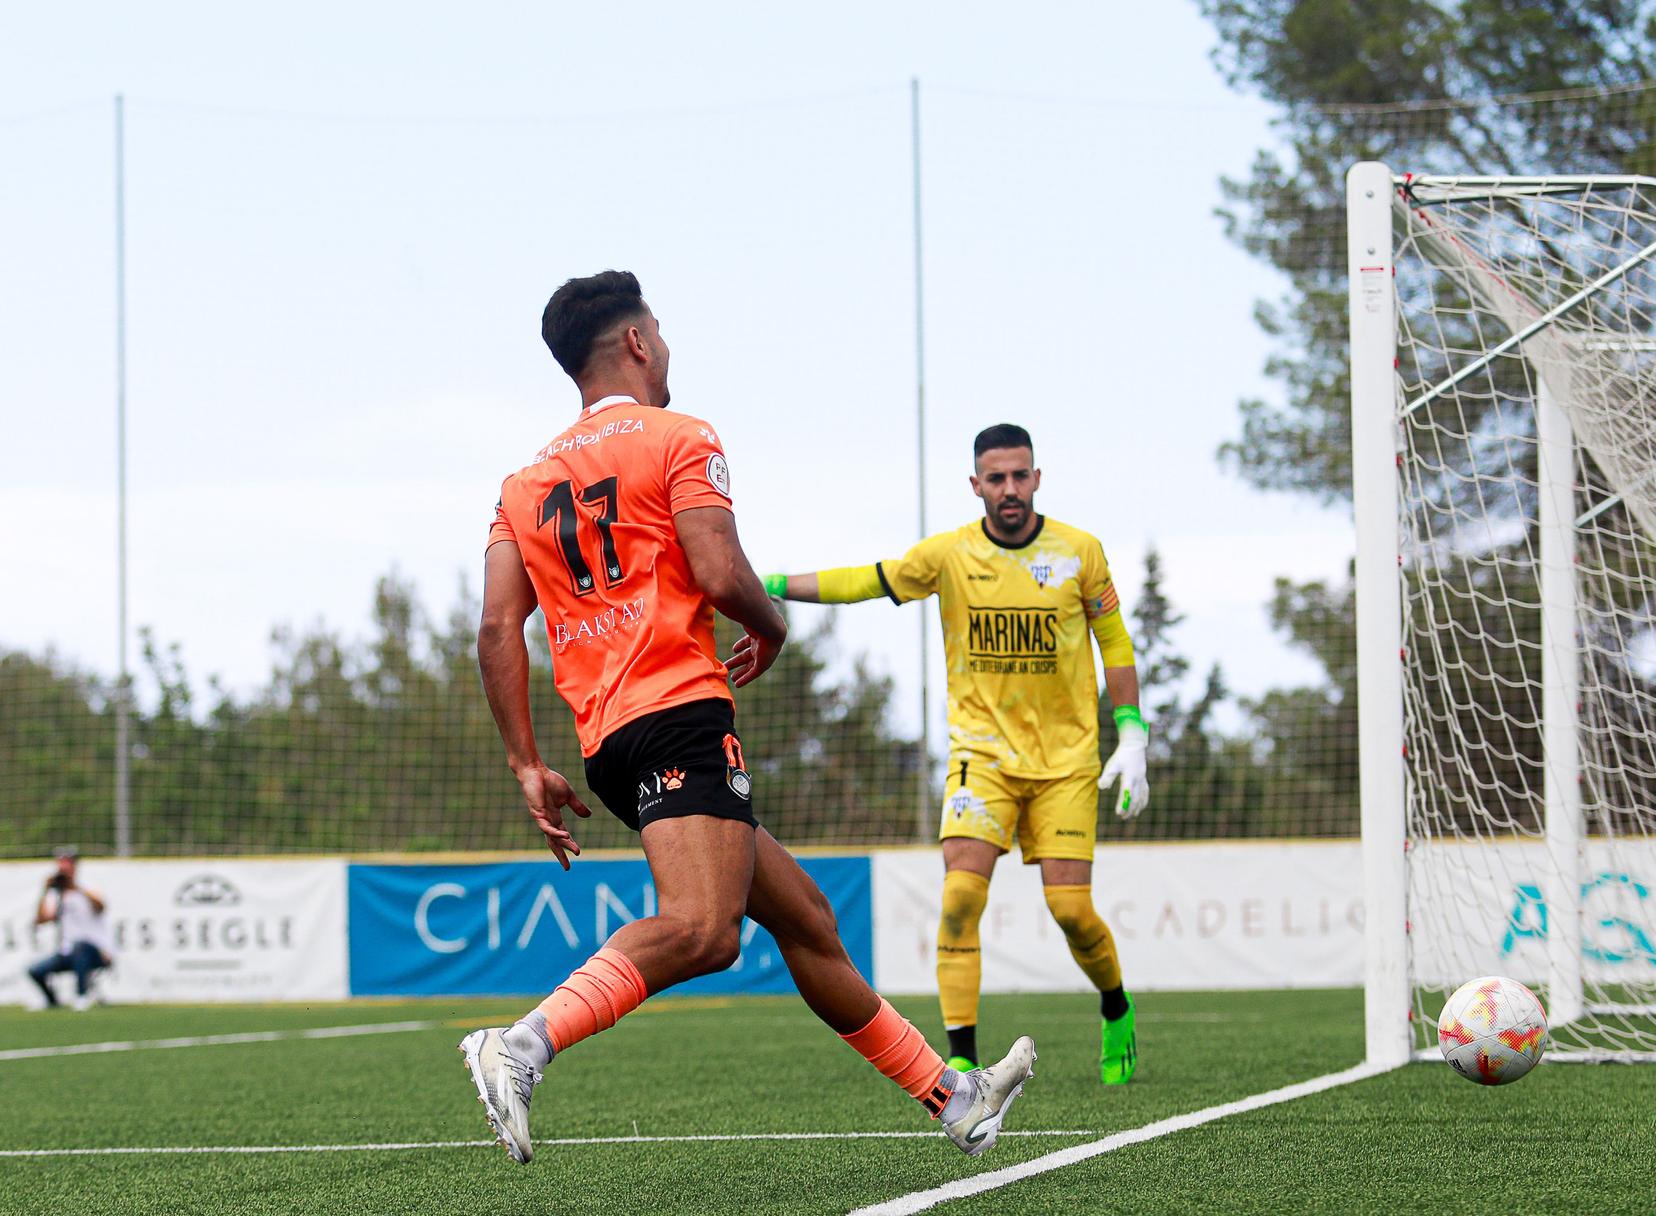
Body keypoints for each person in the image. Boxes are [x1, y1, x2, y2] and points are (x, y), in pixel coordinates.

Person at [460, 270, 1035, 1165]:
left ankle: (953, 1096)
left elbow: (499, 627)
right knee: (705, 930)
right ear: (638, 342)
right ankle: (522, 1045)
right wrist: (772, 628)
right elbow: (720, 570)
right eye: (660, 326)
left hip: (609, 739)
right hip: (681, 710)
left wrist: (524, 763)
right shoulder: (680, 436)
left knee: (806, 918)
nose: (666, 341)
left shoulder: (522, 483)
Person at [763, 423, 1148, 1084]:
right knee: (959, 899)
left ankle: (1116, 1006)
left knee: (1072, 913)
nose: (1009, 489)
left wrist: (1133, 730)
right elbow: (865, 578)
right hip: (982, 758)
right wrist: (765, 581)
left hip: (1067, 761)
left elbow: (1114, 639)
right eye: (995, 478)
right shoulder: (949, 555)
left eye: (1019, 475)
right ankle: (963, 1058)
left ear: (1036, 478)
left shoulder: (1080, 553)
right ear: (976, 485)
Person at [27, 850, 113, 1011]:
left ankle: (81, 996)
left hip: (96, 951)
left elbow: (101, 906)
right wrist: (45, 891)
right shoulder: (58, 894)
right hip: (68, 952)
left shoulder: (88, 887)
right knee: (34, 970)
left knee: (81, 947)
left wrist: (75, 887)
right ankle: (52, 1000)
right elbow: (41, 919)